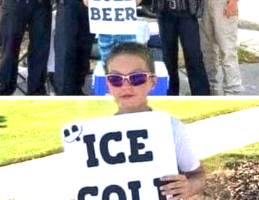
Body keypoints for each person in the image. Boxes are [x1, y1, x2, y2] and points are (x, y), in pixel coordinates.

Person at [105, 42, 206, 199]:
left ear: (153, 82)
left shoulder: (171, 127)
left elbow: (197, 174)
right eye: (115, 79)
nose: (125, 86)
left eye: (136, 78)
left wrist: (189, 186)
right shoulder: (96, 135)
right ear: (108, 84)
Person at [153, 0, 210, 96]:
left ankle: (202, 98)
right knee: (168, 60)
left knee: (194, 57)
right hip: (164, 12)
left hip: (187, 12)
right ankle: (170, 98)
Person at [0, 0, 52, 95]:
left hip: (41, 5)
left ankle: (37, 93)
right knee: (9, 49)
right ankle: (4, 91)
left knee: (40, 51)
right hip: (14, 4)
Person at [200, 0, 243, 95]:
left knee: (227, 51)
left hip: (223, 4)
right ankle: (211, 90)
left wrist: (233, 2)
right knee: (208, 51)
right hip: (204, 5)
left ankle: (232, 92)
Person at [54, 0, 95, 95]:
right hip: (69, 4)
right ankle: (63, 92)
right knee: (65, 48)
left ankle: (78, 88)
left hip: (90, 5)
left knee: (84, 48)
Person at [83, 0, 143, 65]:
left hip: (120, 26)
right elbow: (87, 2)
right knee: (111, 63)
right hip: (108, 27)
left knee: (125, 62)